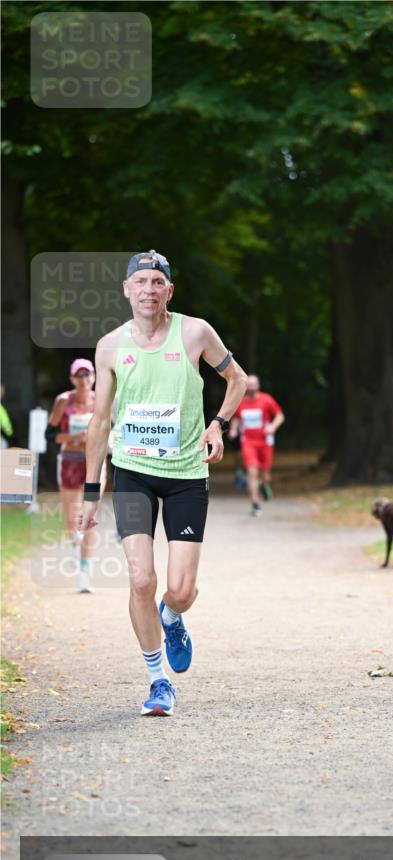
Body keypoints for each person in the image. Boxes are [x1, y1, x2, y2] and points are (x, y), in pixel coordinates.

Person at [78, 249, 248, 716]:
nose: (149, 290)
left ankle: (172, 617)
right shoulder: (111, 345)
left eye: (158, 282)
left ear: (168, 290)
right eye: (141, 282)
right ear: (127, 290)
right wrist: (91, 493)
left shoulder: (194, 332)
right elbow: (98, 423)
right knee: (139, 579)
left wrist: (219, 424)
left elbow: (238, 378)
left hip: (186, 475)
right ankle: (158, 681)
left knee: (181, 589)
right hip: (132, 471)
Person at [46, 359, 105, 593]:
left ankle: (84, 573)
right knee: (72, 518)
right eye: (79, 375)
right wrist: (74, 438)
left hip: (94, 463)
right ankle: (73, 540)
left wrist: (100, 440)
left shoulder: (102, 399)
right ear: (72, 379)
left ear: (94, 377)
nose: (84, 379)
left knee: (89, 516)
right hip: (70, 461)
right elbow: (50, 436)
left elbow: (111, 429)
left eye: (88, 374)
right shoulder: (63, 401)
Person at [229, 374, 284, 517]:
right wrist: (234, 429)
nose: (252, 387)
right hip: (248, 442)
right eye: (249, 384)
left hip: (265, 442)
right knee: (252, 472)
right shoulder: (241, 402)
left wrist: (272, 427)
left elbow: (280, 416)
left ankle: (264, 484)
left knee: (265, 474)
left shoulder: (266, 400)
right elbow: (236, 418)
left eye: (254, 384)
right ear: (246, 386)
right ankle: (255, 504)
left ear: (258, 386)